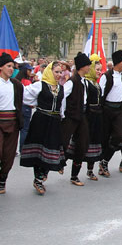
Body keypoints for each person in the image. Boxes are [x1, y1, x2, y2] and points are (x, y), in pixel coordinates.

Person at [20, 62, 65, 195]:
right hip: (41, 119)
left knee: (51, 149)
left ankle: (43, 174)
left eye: (60, 72)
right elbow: (25, 96)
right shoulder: (40, 85)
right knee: (39, 150)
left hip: (55, 121)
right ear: (49, 72)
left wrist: (61, 118)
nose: (58, 75)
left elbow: (62, 106)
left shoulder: (60, 88)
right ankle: (38, 179)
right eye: (56, 72)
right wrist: (36, 104)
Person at [0, 53, 24, 194]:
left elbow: (20, 103)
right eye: (8, 66)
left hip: (13, 122)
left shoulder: (17, 85)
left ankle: (3, 180)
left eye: (12, 67)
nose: (11, 69)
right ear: (1, 67)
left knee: (9, 154)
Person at [61, 52, 92, 186]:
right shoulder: (72, 81)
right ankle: (53, 166)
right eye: (87, 65)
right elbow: (62, 96)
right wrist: (62, 114)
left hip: (82, 116)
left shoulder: (84, 81)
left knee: (82, 144)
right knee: (63, 142)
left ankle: (74, 175)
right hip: (71, 116)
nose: (89, 67)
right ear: (81, 67)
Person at [98, 50, 122, 177]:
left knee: (118, 136)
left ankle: (105, 161)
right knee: (104, 138)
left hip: (118, 110)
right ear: (117, 63)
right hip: (107, 110)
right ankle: (102, 165)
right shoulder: (106, 76)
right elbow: (100, 93)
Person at [84, 59, 105, 180]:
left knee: (95, 142)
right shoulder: (86, 83)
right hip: (89, 115)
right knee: (84, 142)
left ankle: (90, 169)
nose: (99, 72)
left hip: (97, 115)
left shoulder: (96, 84)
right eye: (97, 69)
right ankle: (74, 173)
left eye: (100, 69)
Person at [15, 63, 35, 150]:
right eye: (29, 70)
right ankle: (22, 148)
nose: (31, 72)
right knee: (25, 129)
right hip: (26, 106)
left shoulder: (15, 81)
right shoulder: (27, 82)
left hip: (17, 106)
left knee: (15, 129)